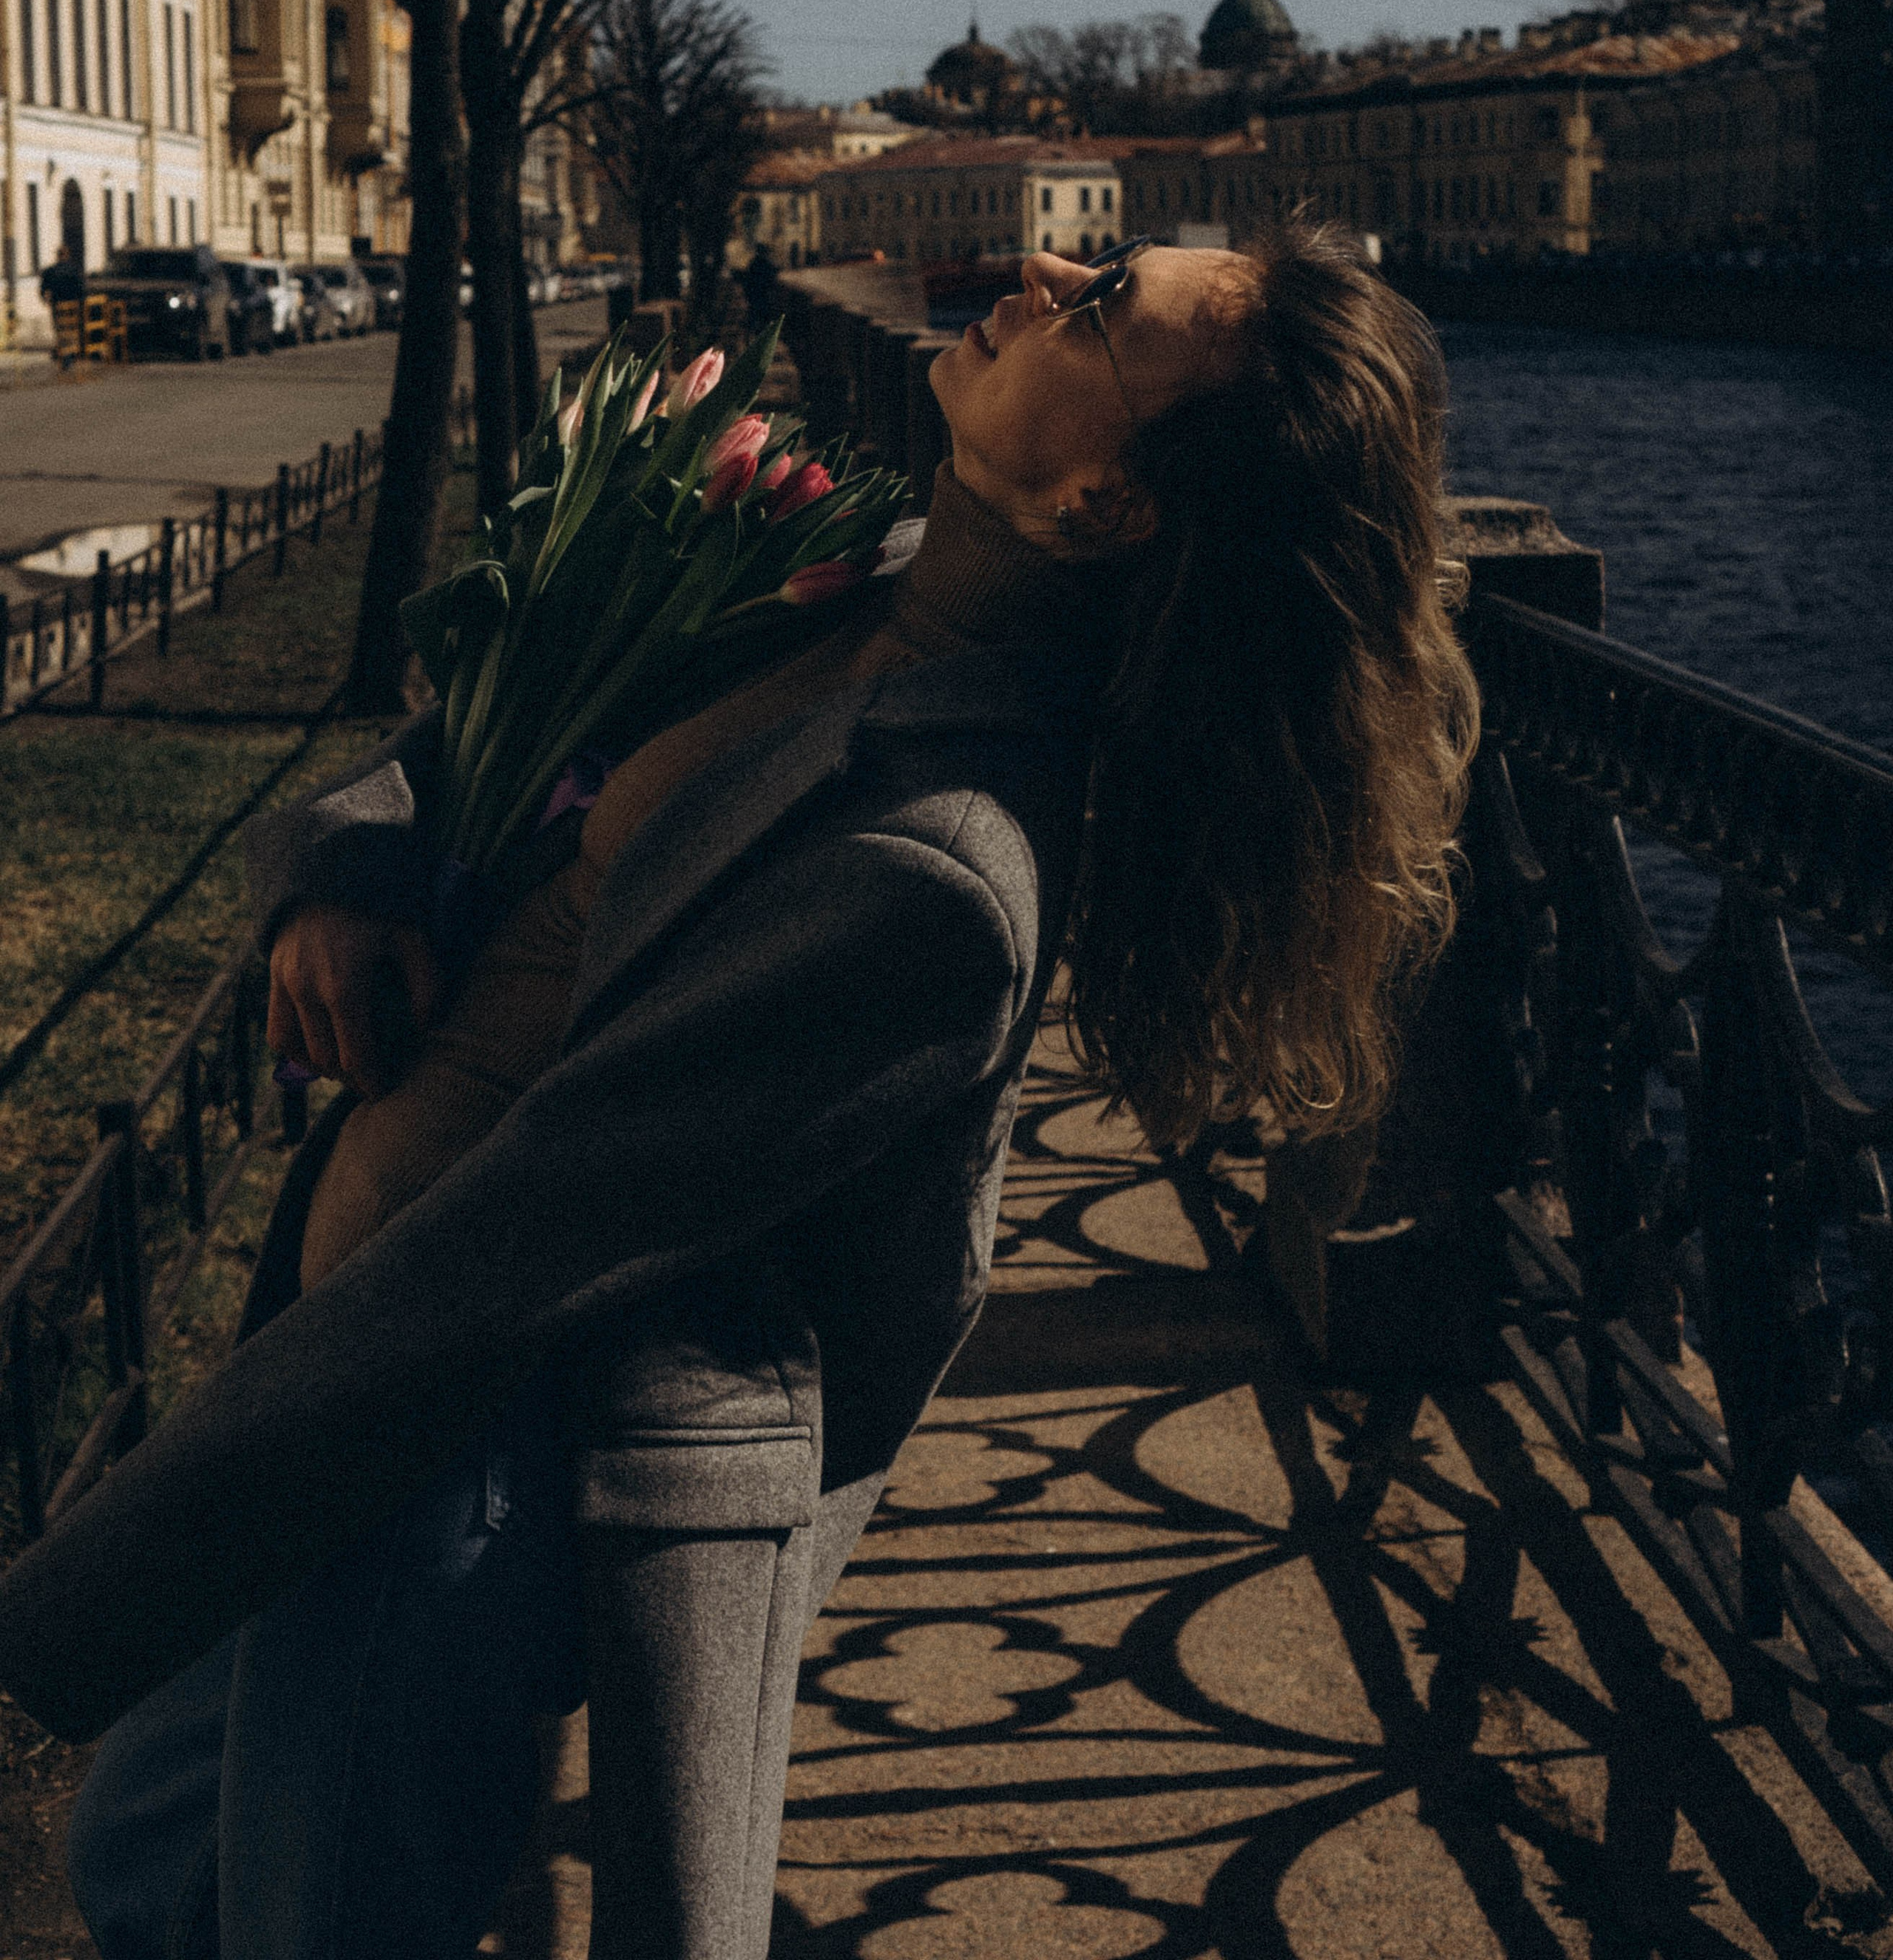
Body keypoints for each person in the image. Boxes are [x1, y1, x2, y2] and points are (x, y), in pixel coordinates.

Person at [3, 220, 1479, 1960]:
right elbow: (520, 732)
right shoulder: (863, 578)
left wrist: (67, 1587)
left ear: (1107, 501)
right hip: (352, 1396)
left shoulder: (939, 871)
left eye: (1098, 305)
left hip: (454, 1479)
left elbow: (525, 1244)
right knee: (142, 1861)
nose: (1029, 263)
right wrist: (354, 864)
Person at [738, 239, 780, 335]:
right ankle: (761, 332)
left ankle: (754, 330)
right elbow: (774, 272)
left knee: (755, 312)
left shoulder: (753, 262)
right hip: (762, 295)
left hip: (753, 295)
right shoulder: (765, 263)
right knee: (764, 315)